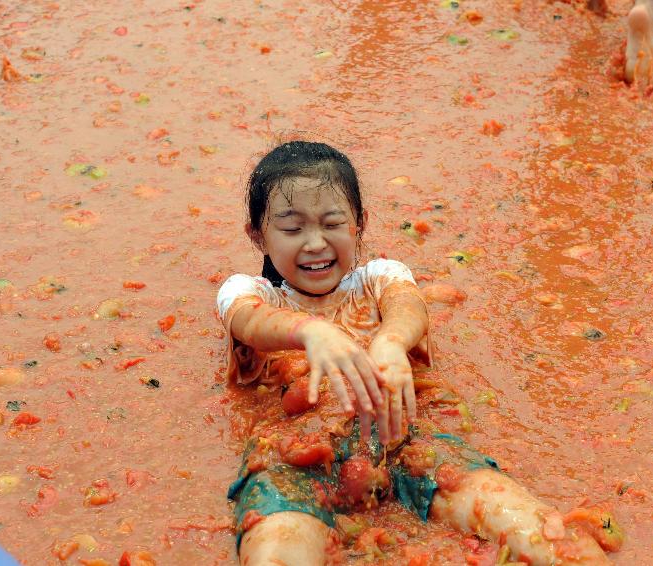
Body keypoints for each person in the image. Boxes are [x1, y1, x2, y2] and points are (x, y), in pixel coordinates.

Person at [217, 141, 621, 565]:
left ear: (359, 224)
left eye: (333, 222)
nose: (315, 243)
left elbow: (409, 307)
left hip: (412, 442)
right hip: (292, 457)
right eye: (292, 228)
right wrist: (311, 331)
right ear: (258, 235)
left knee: (539, 534)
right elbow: (247, 320)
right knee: (277, 551)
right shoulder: (248, 292)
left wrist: (390, 341)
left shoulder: (378, 278)